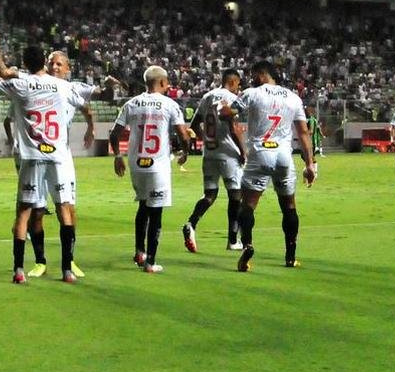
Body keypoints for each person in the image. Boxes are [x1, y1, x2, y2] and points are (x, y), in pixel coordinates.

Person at [0, 39, 92, 284]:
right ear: (45, 62)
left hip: (31, 156)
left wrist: (3, 67)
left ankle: (19, 271)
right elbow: (89, 100)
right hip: (58, 156)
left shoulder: (19, 84)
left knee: (24, 213)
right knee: (64, 209)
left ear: (24, 64)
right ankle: (66, 270)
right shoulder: (63, 86)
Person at [225, 61, 314, 271]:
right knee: (289, 207)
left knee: (248, 205)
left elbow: (228, 113)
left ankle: (247, 245)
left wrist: (224, 109)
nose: (252, 78)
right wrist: (310, 163)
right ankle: (291, 256)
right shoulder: (293, 98)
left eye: (255, 74)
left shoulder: (252, 93)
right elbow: (303, 132)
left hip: (260, 153)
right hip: (284, 156)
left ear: (263, 74)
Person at [110, 65, 193, 273]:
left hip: (137, 165)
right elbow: (183, 135)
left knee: (143, 206)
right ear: (163, 83)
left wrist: (117, 156)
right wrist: (185, 152)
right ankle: (150, 262)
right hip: (157, 165)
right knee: (156, 213)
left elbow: (114, 133)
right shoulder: (170, 105)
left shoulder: (132, 103)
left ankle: (139, 251)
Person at [182, 68, 246, 253]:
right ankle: (233, 240)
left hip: (209, 154)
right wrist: (243, 151)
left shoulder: (206, 96)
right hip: (228, 155)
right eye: (238, 84)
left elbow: (193, 125)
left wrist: (208, 140)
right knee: (235, 195)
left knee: (209, 195)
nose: (238, 88)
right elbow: (233, 127)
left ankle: (191, 223)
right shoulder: (230, 98)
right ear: (233, 82)